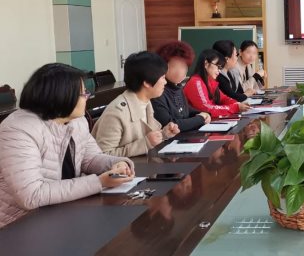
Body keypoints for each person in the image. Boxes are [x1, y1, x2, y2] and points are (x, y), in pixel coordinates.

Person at [0, 63, 135, 228]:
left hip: (61, 212)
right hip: (18, 225)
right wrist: (99, 182)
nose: (88, 96)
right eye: (83, 93)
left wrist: (116, 164)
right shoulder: (19, 129)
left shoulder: (76, 121)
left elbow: (90, 158)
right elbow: (32, 195)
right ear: (62, 95)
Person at [92, 52, 180, 157]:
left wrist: (164, 134)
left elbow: (144, 136)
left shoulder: (145, 102)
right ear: (147, 82)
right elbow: (103, 156)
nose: (165, 82)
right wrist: (145, 143)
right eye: (162, 78)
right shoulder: (116, 113)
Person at [152, 41, 211, 132]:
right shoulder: (158, 90)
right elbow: (170, 124)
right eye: (173, 66)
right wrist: (200, 119)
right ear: (162, 67)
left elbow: (185, 110)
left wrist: (203, 114)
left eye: (183, 67)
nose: (179, 72)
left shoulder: (178, 87)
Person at [184, 49, 251, 117]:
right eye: (218, 67)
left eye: (220, 68)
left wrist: (237, 104)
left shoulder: (210, 80)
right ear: (206, 64)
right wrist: (236, 107)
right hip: (198, 125)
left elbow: (223, 98)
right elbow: (206, 108)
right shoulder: (196, 82)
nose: (219, 71)